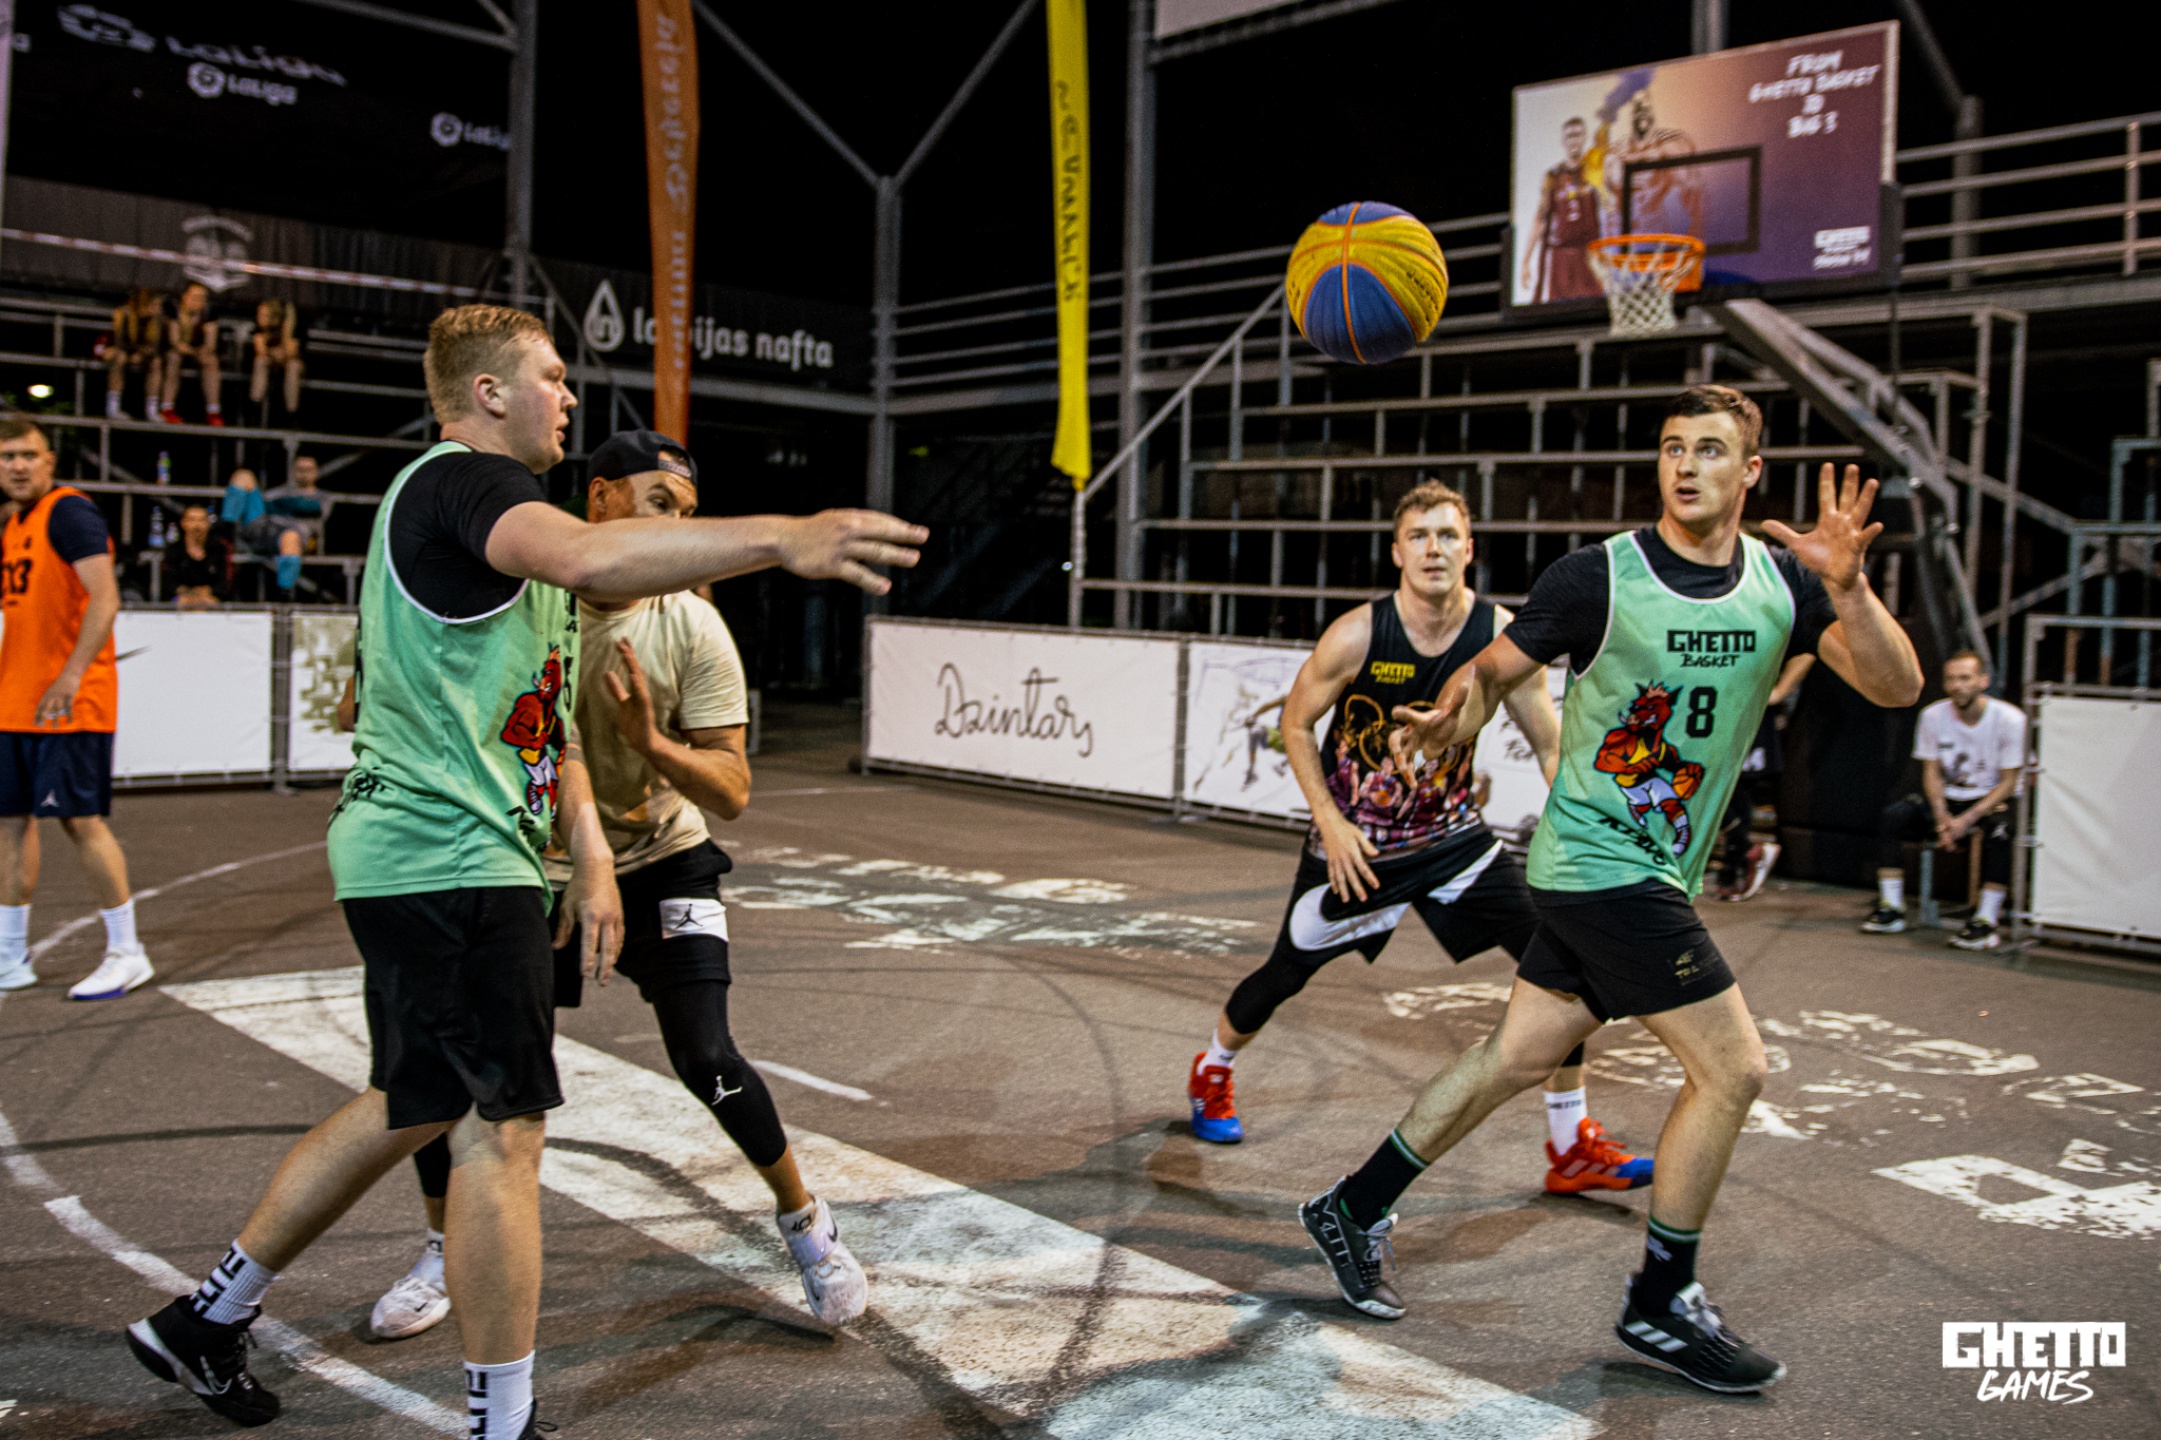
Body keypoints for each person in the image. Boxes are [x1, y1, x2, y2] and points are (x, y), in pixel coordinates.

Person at [121, 304, 923, 1439]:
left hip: (438, 853)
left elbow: (545, 712)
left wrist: (588, 848)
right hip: (453, 857)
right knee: (503, 1134)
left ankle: (207, 1317)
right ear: (488, 393)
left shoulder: (496, 534)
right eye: (550, 375)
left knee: (415, 1102)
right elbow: (593, 554)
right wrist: (784, 535)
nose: (568, 395)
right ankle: (501, 1424)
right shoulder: (470, 485)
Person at [1299, 386, 1920, 1395]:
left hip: (1646, 867)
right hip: (1600, 863)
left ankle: (1352, 1205)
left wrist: (1848, 589)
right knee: (1733, 1070)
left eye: (1708, 450)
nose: (1685, 465)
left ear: (1749, 472)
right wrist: (1453, 716)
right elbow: (1492, 669)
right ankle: (1662, 1301)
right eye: (1672, 447)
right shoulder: (1599, 577)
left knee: (1515, 1056)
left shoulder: (1783, 583)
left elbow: (1896, 686)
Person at [368, 429, 868, 1342]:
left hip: (664, 857)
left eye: (688, 512)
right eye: (659, 505)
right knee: (461, 1076)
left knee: (707, 1056)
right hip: (536, 867)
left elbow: (732, 792)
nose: (676, 526)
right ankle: (443, 1248)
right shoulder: (524, 598)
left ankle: (805, 1223)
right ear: (598, 499)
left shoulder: (690, 624)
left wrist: (650, 744)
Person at [1188, 480, 1654, 1199]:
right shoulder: (1356, 634)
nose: (1433, 548)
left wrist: (1593, 830)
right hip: (1361, 849)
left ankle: (1569, 1146)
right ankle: (1213, 1069)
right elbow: (1294, 723)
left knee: (1565, 965)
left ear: (1469, 549)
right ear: (1397, 552)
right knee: (1283, 974)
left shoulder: (1501, 636)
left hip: (1454, 843)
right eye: (1419, 536)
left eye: (1447, 535)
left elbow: (1548, 745)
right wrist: (1331, 823)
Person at [0, 418, 154, 1001]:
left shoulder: (68, 512)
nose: (17, 466)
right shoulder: (15, 522)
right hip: (15, 701)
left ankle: (127, 952)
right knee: (10, 822)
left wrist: (69, 675)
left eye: (28, 455)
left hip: (68, 702)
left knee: (80, 821)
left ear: (49, 461)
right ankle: (9, 956)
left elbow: (104, 598)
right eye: (6, 456)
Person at [1862, 649, 2023, 950]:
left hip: (1989, 799)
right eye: (1951, 679)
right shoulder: (1933, 715)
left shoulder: (2011, 719)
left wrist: (1966, 819)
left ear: (1983, 681)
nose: (1957, 686)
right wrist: (1942, 816)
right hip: (1948, 798)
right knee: (1893, 816)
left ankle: (1986, 920)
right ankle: (1892, 907)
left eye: (1965, 678)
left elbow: (2009, 782)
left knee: (2001, 831)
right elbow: (1932, 771)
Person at [1714, 653, 1812, 901]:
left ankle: (1736, 860)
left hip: (1748, 705)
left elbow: (1807, 649)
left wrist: (1780, 691)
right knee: (1710, 784)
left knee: (1737, 786)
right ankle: (1743, 853)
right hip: (1711, 701)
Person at [1522, 117, 1605, 303]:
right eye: (1569, 136)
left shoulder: (1594, 172)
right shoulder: (1552, 177)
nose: (1574, 140)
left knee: (1593, 308)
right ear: (1563, 141)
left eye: (1578, 135)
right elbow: (1540, 219)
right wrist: (1526, 260)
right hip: (1561, 258)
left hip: (1588, 255)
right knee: (1559, 309)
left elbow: (1610, 213)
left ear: (1584, 138)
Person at [260, 454, 334, 596]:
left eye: (308, 470)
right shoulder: (279, 493)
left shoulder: (324, 497)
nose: (304, 474)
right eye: (300, 469)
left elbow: (314, 509)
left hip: (307, 539)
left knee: (290, 536)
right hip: (273, 535)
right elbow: (264, 505)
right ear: (293, 471)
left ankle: (285, 591)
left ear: (316, 472)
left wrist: (282, 505)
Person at [160, 282, 224, 426]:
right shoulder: (175, 310)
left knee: (211, 361)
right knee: (173, 358)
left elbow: (211, 343)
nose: (198, 301)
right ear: (185, 297)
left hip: (198, 353)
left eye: (202, 298)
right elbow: (175, 341)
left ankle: (213, 411)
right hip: (179, 352)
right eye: (194, 297)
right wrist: (192, 351)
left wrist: (201, 351)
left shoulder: (209, 312)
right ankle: (167, 408)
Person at [103, 288, 167, 422]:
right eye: (154, 305)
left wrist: (141, 354)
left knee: (156, 362)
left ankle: (151, 410)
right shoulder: (125, 313)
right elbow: (120, 341)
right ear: (144, 304)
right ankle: (112, 408)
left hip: (143, 355)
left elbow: (156, 347)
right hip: (122, 351)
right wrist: (135, 353)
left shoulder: (158, 319)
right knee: (119, 357)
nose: (158, 309)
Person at [167, 504, 229, 609]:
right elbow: (169, 582)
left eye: (201, 520)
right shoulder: (174, 551)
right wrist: (192, 595)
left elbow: (224, 583)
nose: (197, 526)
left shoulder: (218, 551)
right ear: (183, 523)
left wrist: (206, 593)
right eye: (192, 520)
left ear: (208, 523)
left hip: (211, 600)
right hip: (181, 599)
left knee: (211, 603)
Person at [249, 298, 305, 414]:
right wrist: (272, 352)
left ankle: (291, 413)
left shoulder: (291, 327)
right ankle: (254, 407)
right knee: (260, 361)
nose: (259, 318)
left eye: (264, 315)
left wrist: (285, 333)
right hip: (271, 362)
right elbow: (260, 350)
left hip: (289, 363)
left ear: (273, 317)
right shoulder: (259, 329)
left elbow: (292, 352)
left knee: (293, 366)